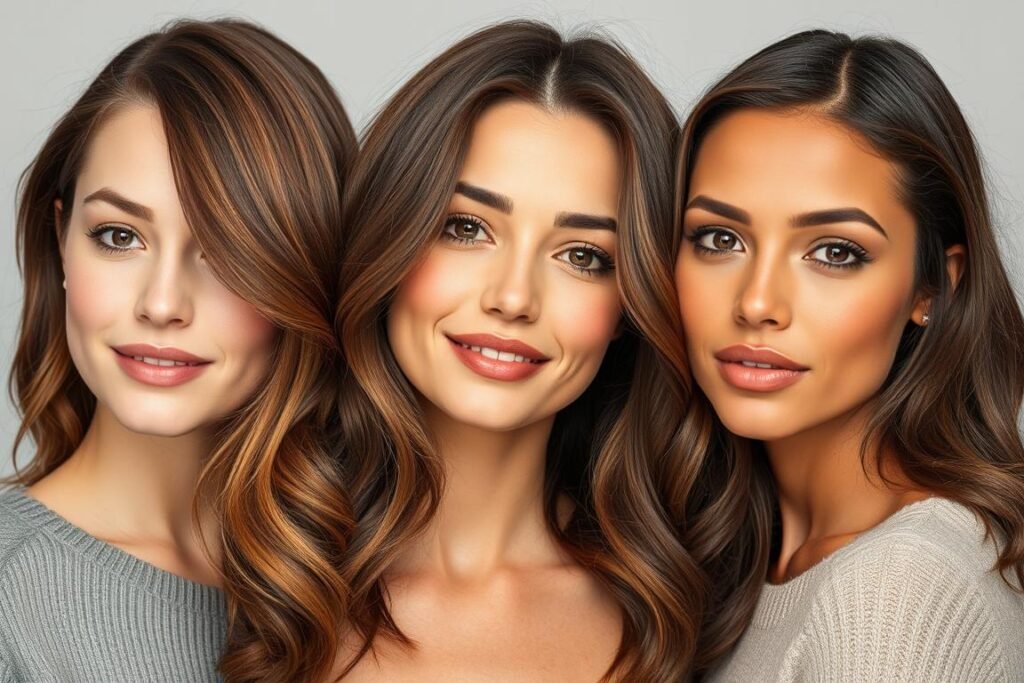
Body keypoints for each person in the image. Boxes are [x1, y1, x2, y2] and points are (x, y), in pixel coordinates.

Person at [331, 20, 691, 681]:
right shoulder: (255, 565)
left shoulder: (673, 618)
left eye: (583, 256)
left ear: (629, 308)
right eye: (466, 228)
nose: (512, 296)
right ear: (391, 235)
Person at [661, 30, 1024, 679]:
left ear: (933, 287)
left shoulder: (894, 594)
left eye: (834, 251)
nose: (758, 301)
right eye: (719, 238)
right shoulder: (738, 558)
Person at [1, 19, 356, 682]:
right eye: (118, 236)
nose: (162, 303)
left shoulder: (374, 576)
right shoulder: (11, 595)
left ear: (305, 277)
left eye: (225, 254)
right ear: (61, 244)